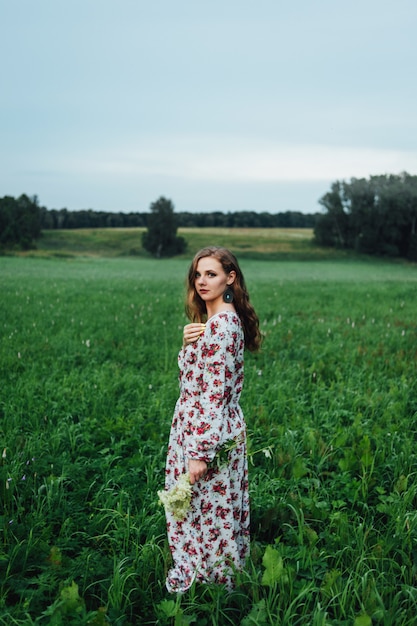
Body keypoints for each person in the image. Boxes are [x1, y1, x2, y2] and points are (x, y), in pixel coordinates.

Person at [162, 246, 261, 593]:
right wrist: (190, 344)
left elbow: (212, 393)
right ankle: (217, 577)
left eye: (212, 274)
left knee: (203, 508)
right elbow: (199, 377)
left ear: (230, 278)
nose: (202, 281)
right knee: (210, 508)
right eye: (198, 274)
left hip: (206, 430)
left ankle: (213, 585)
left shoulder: (220, 328)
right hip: (212, 425)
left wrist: (200, 451)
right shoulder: (219, 324)